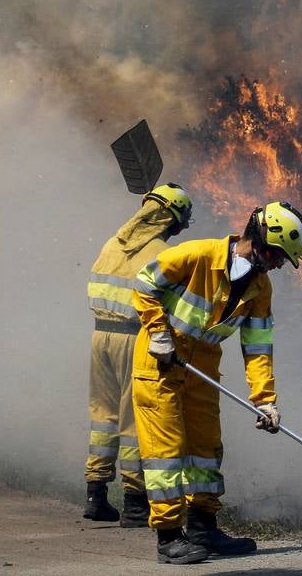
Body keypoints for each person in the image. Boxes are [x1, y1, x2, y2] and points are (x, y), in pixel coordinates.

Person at [131, 200, 302, 565]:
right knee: (166, 452)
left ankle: (203, 528)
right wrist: (158, 332)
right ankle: (169, 536)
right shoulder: (197, 255)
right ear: (260, 238)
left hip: (203, 368)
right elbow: (144, 283)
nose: (277, 265)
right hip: (161, 363)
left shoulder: (260, 288)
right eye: (276, 256)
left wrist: (265, 399)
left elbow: (257, 347)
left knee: (206, 448)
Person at [84, 183, 193, 527]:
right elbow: (170, 306)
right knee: (133, 419)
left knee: (103, 416)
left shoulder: (112, 244)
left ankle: (95, 494)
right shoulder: (161, 253)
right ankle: (135, 502)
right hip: (135, 339)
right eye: (180, 222)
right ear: (169, 219)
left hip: (100, 336)